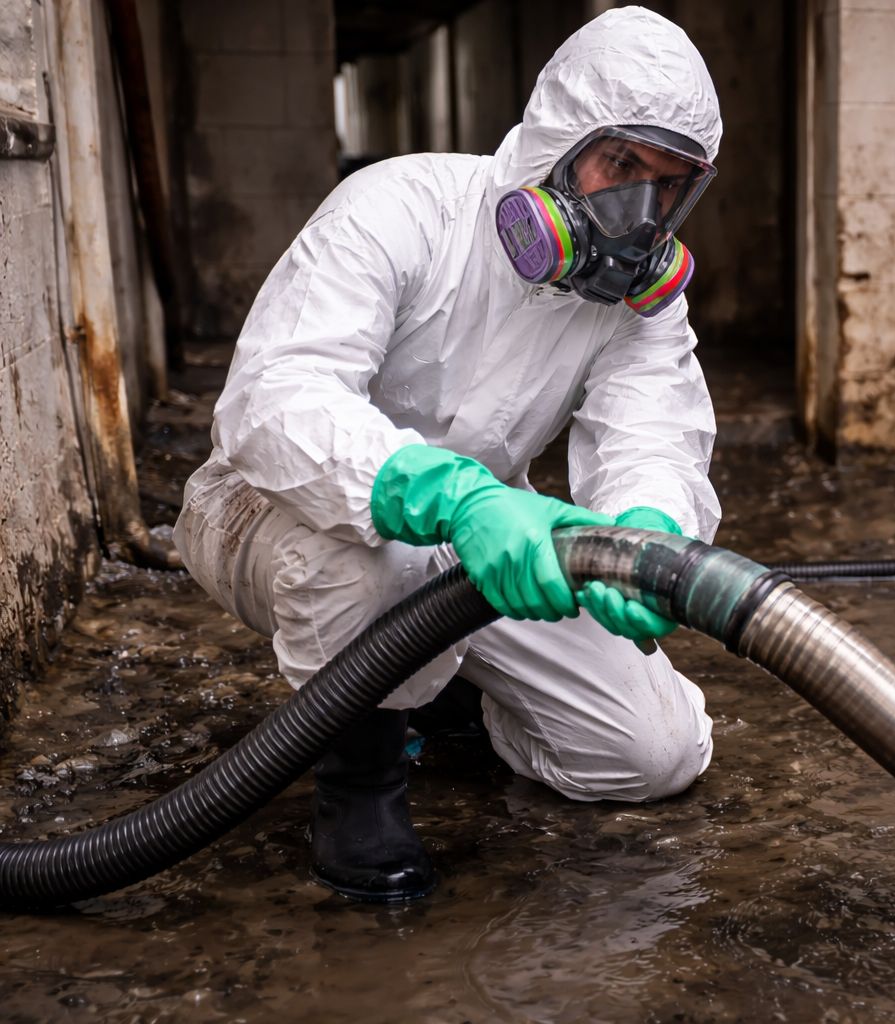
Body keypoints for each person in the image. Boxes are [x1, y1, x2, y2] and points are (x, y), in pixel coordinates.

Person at [173, 7, 723, 903]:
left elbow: (651, 428)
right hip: (274, 506)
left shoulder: (634, 299)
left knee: (649, 753)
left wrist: (646, 530)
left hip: (482, 530)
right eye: (620, 165)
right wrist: (448, 492)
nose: (637, 212)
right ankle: (359, 784)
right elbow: (275, 398)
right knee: (379, 557)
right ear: (557, 137)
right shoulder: (399, 207)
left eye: (665, 185)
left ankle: (444, 696)